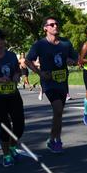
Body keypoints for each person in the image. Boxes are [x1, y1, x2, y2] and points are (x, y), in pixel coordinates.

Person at [25, 16, 78, 152]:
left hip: (62, 82)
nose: (55, 26)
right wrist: (39, 73)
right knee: (58, 109)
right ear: (45, 28)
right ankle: (58, 140)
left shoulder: (65, 43)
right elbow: (28, 60)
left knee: (58, 113)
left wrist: (71, 61)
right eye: (52, 24)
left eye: (56, 24)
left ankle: (51, 139)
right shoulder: (40, 44)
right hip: (48, 83)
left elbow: (74, 58)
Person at [0, 29, 24, 166]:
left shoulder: (12, 56)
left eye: (1, 38)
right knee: (4, 127)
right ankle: (6, 155)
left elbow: (18, 72)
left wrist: (16, 76)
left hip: (13, 95)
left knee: (19, 125)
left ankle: (12, 146)